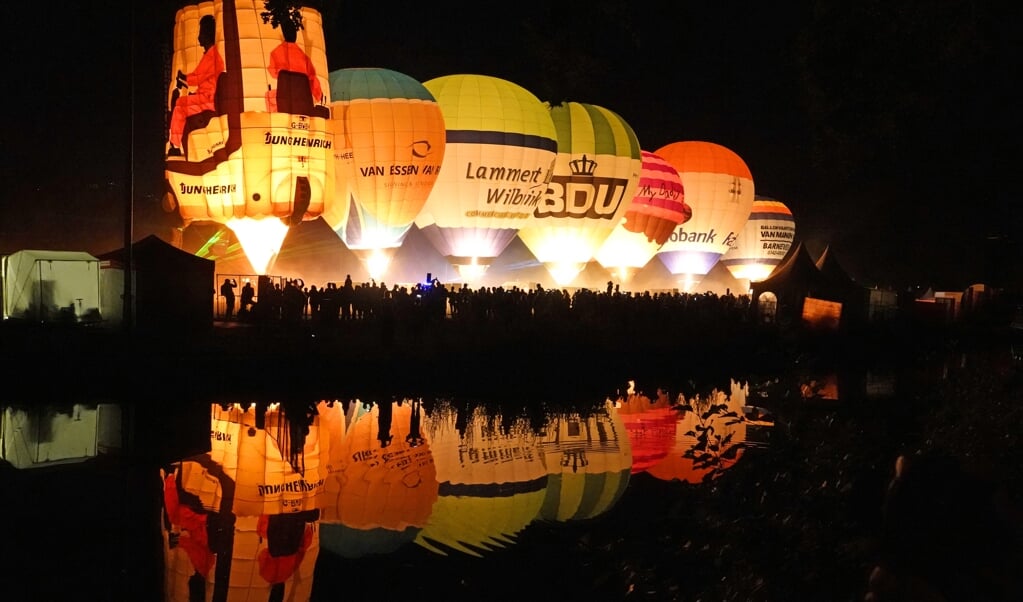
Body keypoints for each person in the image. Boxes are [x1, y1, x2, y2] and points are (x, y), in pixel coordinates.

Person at [168, 15, 224, 156]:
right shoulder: (211, 56)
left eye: (201, 33)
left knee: (180, 105)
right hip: (204, 97)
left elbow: (196, 78)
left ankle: (174, 146)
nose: (199, 37)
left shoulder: (212, 57)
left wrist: (183, 77)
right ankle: (178, 143)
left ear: (206, 35)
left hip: (207, 100)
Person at [266, 19, 323, 109]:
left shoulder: (275, 53)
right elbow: (313, 79)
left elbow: (273, 73)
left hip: (284, 99)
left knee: (269, 95)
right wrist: (318, 96)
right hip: (303, 101)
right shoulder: (304, 58)